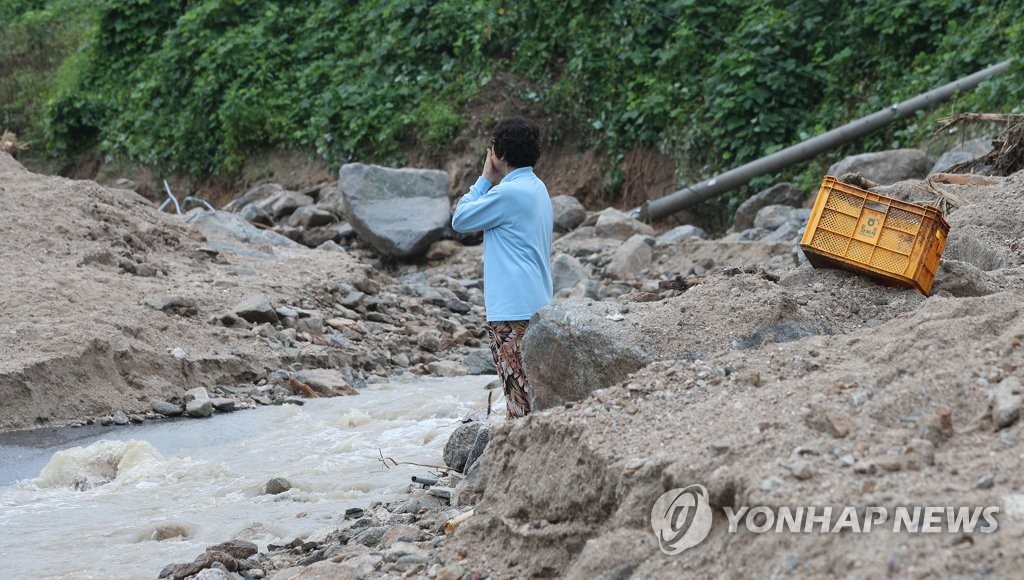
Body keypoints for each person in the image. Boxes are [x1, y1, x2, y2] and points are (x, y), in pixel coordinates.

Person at [451, 116, 553, 419]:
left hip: (511, 311)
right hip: (536, 304)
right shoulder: (537, 187)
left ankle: (521, 461)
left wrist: (484, 177)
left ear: (499, 153)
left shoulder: (508, 193)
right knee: (532, 389)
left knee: (518, 399)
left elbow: (460, 219)